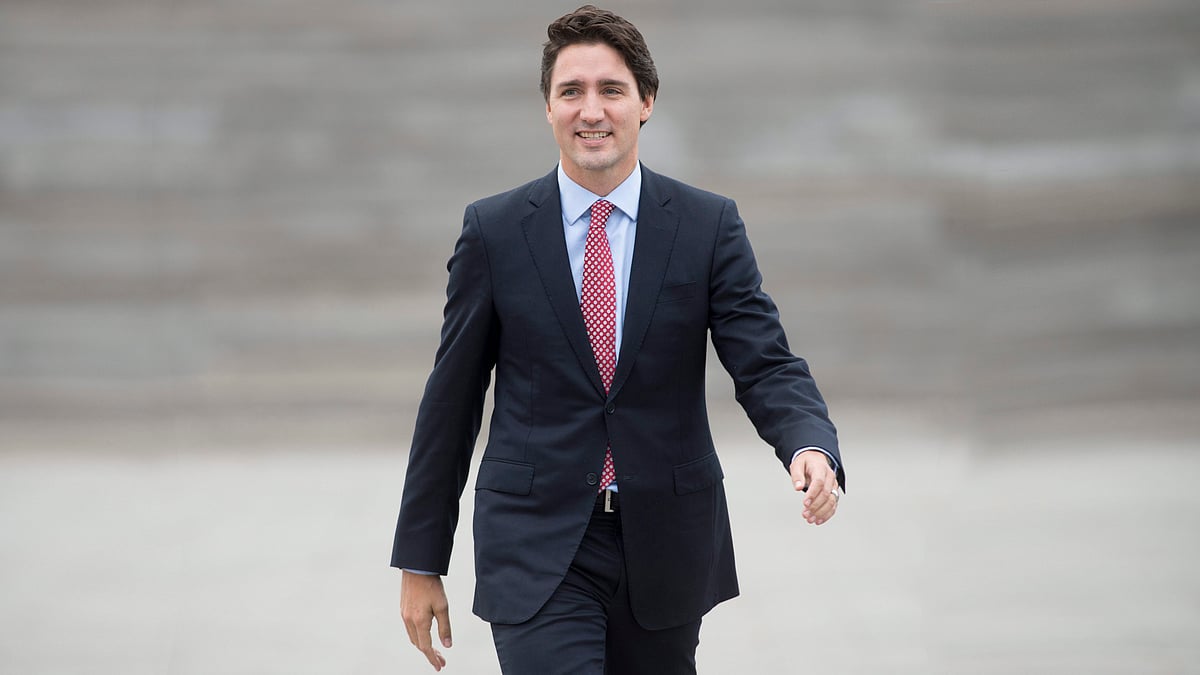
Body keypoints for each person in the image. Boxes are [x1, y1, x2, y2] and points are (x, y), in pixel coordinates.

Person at [392, 5, 844, 673]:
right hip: (535, 544)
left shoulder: (706, 225)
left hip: (665, 545)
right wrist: (420, 559)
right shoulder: (496, 231)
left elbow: (765, 361)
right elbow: (451, 402)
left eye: (611, 89)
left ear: (646, 101)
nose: (591, 110)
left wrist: (809, 443)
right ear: (548, 107)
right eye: (571, 91)